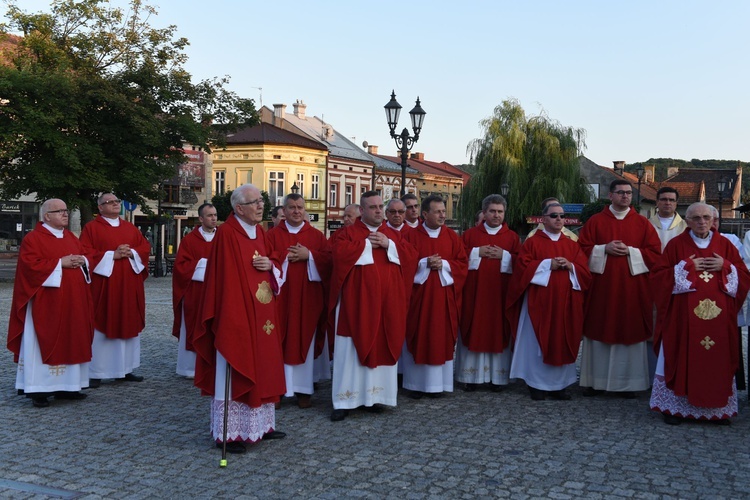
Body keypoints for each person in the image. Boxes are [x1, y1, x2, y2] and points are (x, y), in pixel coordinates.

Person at [193, 184, 286, 454]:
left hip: (263, 314)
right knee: (237, 365)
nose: (261, 206)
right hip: (237, 315)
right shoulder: (227, 235)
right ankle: (230, 434)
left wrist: (271, 265)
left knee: (264, 366)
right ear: (239, 208)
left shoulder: (259, 231)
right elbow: (223, 281)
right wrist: (234, 317)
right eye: (255, 202)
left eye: (261, 201)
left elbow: (274, 259)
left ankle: (261, 426)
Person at [650, 203, 750, 425]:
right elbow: (658, 278)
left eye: (706, 217)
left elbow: (743, 277)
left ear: (714, 220)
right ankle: (674, 409)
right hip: (682, 318)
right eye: (696, 218)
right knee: (679, 354)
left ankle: (716, 410)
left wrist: (725, 266)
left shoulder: (725, 245)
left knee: (718, 358)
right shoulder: (676, 245)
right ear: (687, 220)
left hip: (719, 319)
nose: (702, 222)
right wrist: (686, 266)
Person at [328, 191, 416, 421]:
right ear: (362, 211)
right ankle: (344, 400)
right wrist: (365, 245)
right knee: (349, 353)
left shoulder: (391, 235)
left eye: (380, 207)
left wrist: (389, 245)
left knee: (381, 346)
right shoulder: (347, 233)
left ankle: (374, 398)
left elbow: (410, 257)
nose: (378, 211)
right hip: (354, 307)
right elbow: (338, 256)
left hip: (386, 306)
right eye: (373, 207)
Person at [7, 199, 94, 408]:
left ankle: (69, 386)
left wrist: (83, 261)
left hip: (73, 301)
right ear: (47, 216)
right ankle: (39, 390)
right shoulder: (33, 239)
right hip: (45, 303)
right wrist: (59, 263)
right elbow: (29, 268)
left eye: (66, 210)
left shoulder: (70, 237)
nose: (65, 214)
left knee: (72, 338)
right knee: (42, 341)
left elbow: (85, 255)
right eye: (60, 211)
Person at [578, 180, 661, 397]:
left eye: (628, 193)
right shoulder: (595, 221)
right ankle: (594, 382)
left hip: (632, 291)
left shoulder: (643, 224)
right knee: (599, 329)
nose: (625, 196)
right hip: (601, 291)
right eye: (620, 192)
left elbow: (655, 254)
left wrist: (631, 252)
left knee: (629, 329)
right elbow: (581, 250)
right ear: (610, 195)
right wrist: (603, 249)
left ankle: (628, 385)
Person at [507, 203, 592, 400]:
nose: (559, 219)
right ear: (543, 219)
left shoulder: (572, 245)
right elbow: (521, 269)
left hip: (565, 304)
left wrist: (571, 266)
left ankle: (559, 386)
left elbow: (585, 274)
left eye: (562, 216)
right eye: (554, 215)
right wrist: (547, 264)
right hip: (539, 303)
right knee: (536, 342)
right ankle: (535, 384)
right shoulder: (532, 243)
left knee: (561, 339)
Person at [266, 193, 332, 409]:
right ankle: (278, 390)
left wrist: (310, 256)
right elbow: (265, 258)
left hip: (309, 298)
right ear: (283, 211)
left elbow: (329, 261)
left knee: (306, 338)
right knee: (279, 340)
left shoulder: (316, 236)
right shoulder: (272, 235)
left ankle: (304, 390)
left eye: (300, 207)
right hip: (281, 299)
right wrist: (283, 259)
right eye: (292, 207)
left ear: (305, 210)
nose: (297, 211)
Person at [80, 194, 150, 387]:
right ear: (100, 208)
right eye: (109, 202)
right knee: (102, 323)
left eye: (117, 202)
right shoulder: (91, 228)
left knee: (128, 321)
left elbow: (144, 248)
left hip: (128, 285)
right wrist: (113, 255)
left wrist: (132, 253)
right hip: (105, 286)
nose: (115, 205)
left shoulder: (130, 227)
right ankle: (96, 372)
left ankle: (125, 370)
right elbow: (85, 253)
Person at [403, 195, 468, 398]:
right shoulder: (411, 236)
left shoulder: (452, 237)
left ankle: (439, 385)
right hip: (420, 299)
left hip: (444, 299)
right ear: (425, 214)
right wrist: (424, 263)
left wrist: (445, 265)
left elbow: (462, 264)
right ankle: (415, 385)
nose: (442, 215)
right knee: (420, 334)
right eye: (438, 211)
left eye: (443, 210)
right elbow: (402, 264)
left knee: (441, 337)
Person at [456, 194, 520, 391]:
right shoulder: (469, 235)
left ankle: (497, 379)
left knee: (498, 330)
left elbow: (523, 264)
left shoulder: (512, 237)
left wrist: (506, 256)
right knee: (474, 327)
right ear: (484, 213)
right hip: (475, 295)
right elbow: (457, 259)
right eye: (492, 211)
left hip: (500, 295)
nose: (496, 215)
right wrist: (475, 252)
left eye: (500, 212)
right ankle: (471, 377)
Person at [171, 203, 217, 378]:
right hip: (195, 293)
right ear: (200, 219)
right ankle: (190, 368)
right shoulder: (190, 240)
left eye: (215, 215)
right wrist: (205, 263)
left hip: (216, 292)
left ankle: (213, 367)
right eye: (209, 215)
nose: (213, 218)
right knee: (193, 327)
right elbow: (181, 267)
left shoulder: (223, 238)